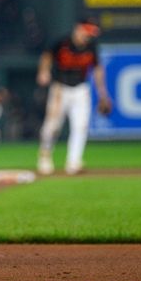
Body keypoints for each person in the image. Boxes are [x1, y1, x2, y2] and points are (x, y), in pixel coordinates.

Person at [36, 17, 112, 176]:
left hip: (80, 89)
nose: (88, 36)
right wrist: (44, 71)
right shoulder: (62, 43)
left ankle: (74, 162)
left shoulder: (92, 47)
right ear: (78, 28)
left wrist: (103, 94)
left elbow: (98, 69)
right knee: (53, 126)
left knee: (81, 126)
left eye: (91, 33)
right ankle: (44, 156)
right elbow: (47, 56)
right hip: (60, 88)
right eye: (86, 32)